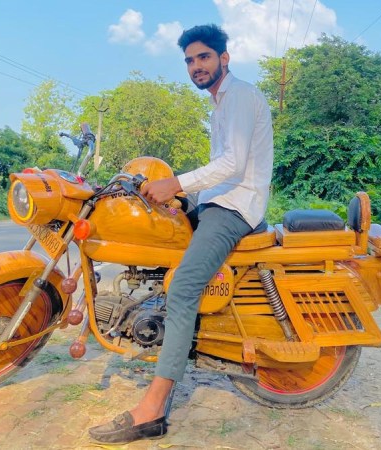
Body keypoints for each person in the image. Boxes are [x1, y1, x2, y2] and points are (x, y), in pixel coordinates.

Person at [89, 24, 274, 444]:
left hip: (234, 208)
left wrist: (177, 184)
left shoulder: (240, 95)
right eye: (190, 60)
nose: (196, 66)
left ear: (224, 58)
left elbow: (234, 163)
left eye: (204, 57)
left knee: (184, 288)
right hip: (219, 200)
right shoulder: (220, 103)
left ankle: (152, 410)